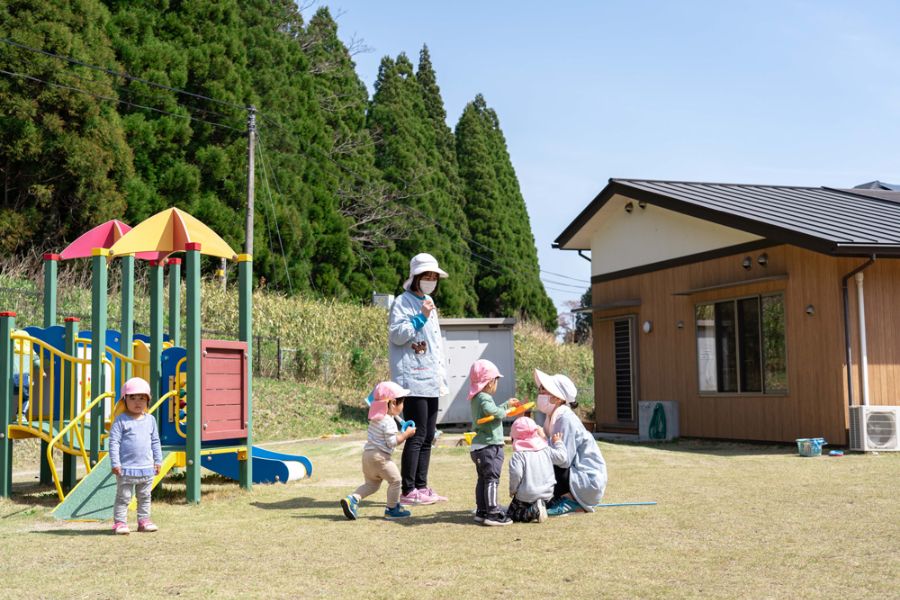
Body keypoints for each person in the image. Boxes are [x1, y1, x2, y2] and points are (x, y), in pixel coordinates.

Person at [388, 252, 450, 506]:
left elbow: (434, 345)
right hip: (412, 380)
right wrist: (420, 317)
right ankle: (408, 489)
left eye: (434, 277)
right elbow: (397, 335)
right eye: (427, 276)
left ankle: (421, 487)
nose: (431, 281)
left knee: (428, 435)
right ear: (415, 277)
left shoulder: (429, 301)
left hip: (431, 379)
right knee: (416, 433)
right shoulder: (402, 302)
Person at [533, 368, 608, 516]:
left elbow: (563, 460)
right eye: (540, 388)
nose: (540, 392)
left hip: (587, 482)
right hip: (578, 478)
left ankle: (571, 500)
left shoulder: (565, 419)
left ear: (558, 398)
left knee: (545, 462)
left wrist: (542, 440)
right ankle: (557, 498)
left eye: (544, 389)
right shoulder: (553, 417)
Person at [341, 381, 418, 520]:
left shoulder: (376, 418)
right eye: (402, 402)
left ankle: (352, 499)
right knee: (396, 481)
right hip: (380, 458)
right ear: (393, 403)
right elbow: (392, 442)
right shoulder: (389, 421)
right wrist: (406, 434)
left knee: (372, 484)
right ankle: (392, 509)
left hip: (367, 456)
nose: (403, 405)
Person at [468, 359, 520, 526]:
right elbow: (492, 411)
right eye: (496, 380)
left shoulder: (477, 398)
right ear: (490, 382)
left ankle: (482, 511)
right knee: (492, 479)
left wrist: (506, 405)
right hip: (489, 446)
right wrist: (507, 411)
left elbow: (491, 411)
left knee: (483, 479)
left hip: (478, 446)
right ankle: (493, 513)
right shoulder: (485, 398)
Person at [108, 377, 162, 535]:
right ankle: (120, 523)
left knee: (145, 496)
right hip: (126, 469)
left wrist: (158, 461)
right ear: (124, 400)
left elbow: (155, 441)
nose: (137, 402)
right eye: (132, 398)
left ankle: (144, 521)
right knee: (124, 497)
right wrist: (115, 463)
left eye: (142, 398)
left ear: (148, 401)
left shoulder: (151, 420)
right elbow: (114, 443)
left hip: (146, 468)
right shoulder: (120, 421)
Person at [507, 416, 568, 523]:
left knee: (511, 514)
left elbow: (516, 474)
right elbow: (562, 458)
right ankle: (543, 506)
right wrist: (558, 442)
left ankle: (533, 511)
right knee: (542, 503)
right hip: (547, 495)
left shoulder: (519, 455)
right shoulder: (546, 449)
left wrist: (513, 490)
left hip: (527, 496)